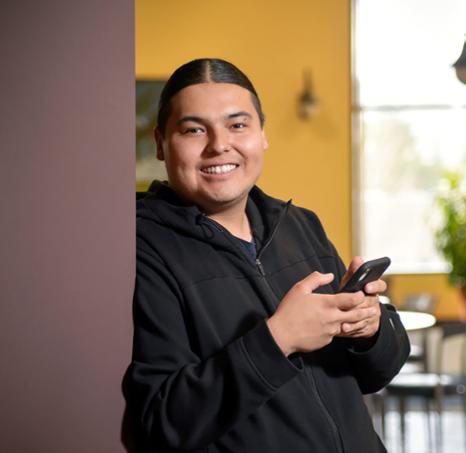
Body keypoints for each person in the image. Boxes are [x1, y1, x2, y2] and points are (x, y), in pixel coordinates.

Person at [123, 58, 410, 453]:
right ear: (160, 143)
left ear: (262, 135)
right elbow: (164, 422)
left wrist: (369, 329)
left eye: (237, 125)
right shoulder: (139, 249)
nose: (219, 144)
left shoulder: (300, 226)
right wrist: (279, 339)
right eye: (193, 129)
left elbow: (376, 373)